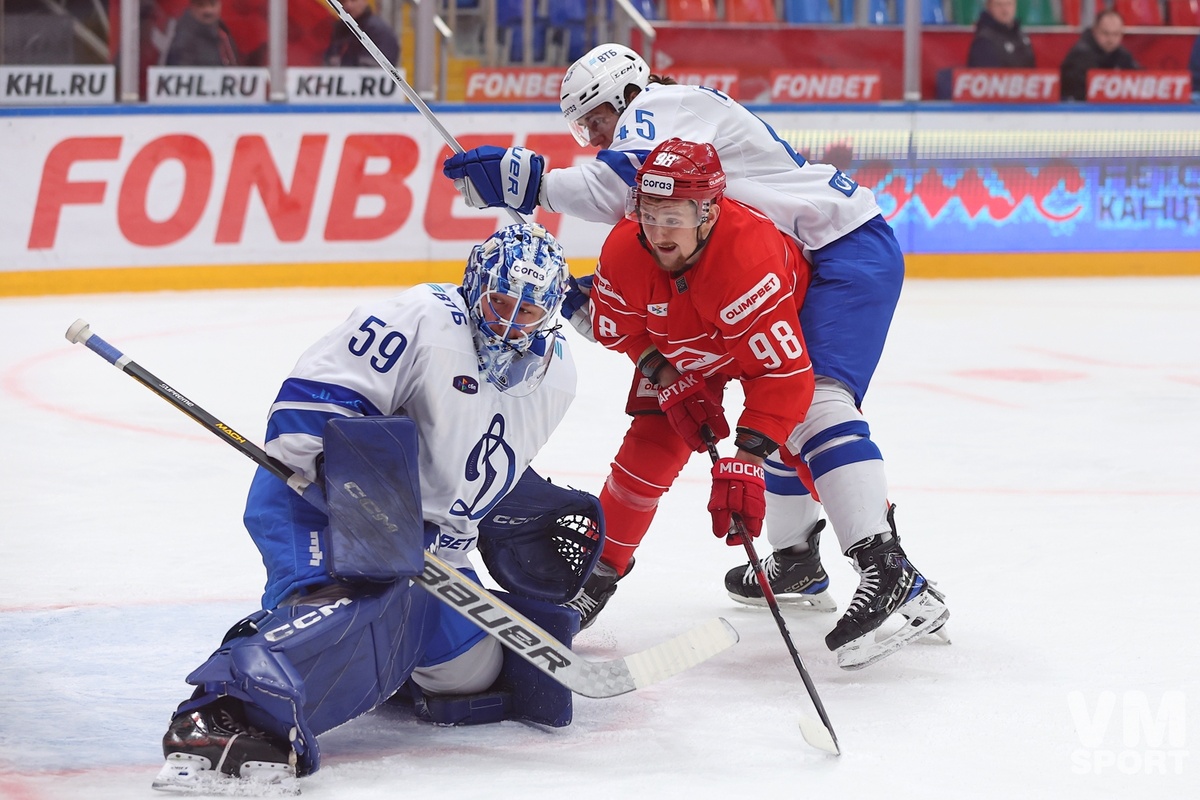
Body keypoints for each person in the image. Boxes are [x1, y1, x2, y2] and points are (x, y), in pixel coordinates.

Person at [442, 44, 950, 669]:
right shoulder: (645, 233)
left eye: (597, 117)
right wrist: (660, 369)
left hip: (837, 250)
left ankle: (890, 570)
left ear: (627, 92)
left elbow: (616, 187)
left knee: (816, 403)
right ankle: (795, 556)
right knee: (666, 426)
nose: (595, 135)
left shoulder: (664, 105)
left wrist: (533, 183)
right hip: (773, 263)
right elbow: (623, 300)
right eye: (584, 127)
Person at [151, 224, 595, 790]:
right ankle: (224, 710)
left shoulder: (557, 374)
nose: (511, 325)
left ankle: (373, 655)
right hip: (320, 502)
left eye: (528, 313)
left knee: (468, 670)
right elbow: (317, 408)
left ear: (551, 312)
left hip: (425, 539)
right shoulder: (420, 318)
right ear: (474, 287)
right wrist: (356, 499)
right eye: (500, 303)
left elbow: (481, 456)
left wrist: (495, 516)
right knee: (368, 605)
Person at [589, 138, 949, 671]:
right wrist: (664, 374)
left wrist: (748, 458)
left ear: (708, 213)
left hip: (778, 323)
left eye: (675, 215)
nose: (659, 231)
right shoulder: (625, 247)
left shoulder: (746, 255)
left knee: (809, 420)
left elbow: (781, 376)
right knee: (653, 438)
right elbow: (620, 326)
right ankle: (597, 577)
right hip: (688, 338)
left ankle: (887, 563)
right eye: (649, 212)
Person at [1060, 9, 1141, 101]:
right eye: (1105, 33)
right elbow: (1075, 90)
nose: (1110, 39)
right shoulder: (1080, 55)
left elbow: (1140, 78)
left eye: (1116, 34)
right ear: (1095, 31)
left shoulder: (1123, 55)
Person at [325, 0, 400, 67]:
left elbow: (381, 68)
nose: (348, 5)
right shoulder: (339, 29)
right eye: (343, 1)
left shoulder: (379, 31)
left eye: (353, 1)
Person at [165, 0, 240, 67]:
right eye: (201, 5)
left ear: (219, 5)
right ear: (192, 7)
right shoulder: (183, 39)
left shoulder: (223, 33)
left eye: (212, 4)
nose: (208, 10)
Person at [967, 0, 1036, 68]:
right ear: (989, 7)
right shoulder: (984, 40)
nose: (1005, 10)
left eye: (1009, 4)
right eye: (999, 5)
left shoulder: (1022, 36)